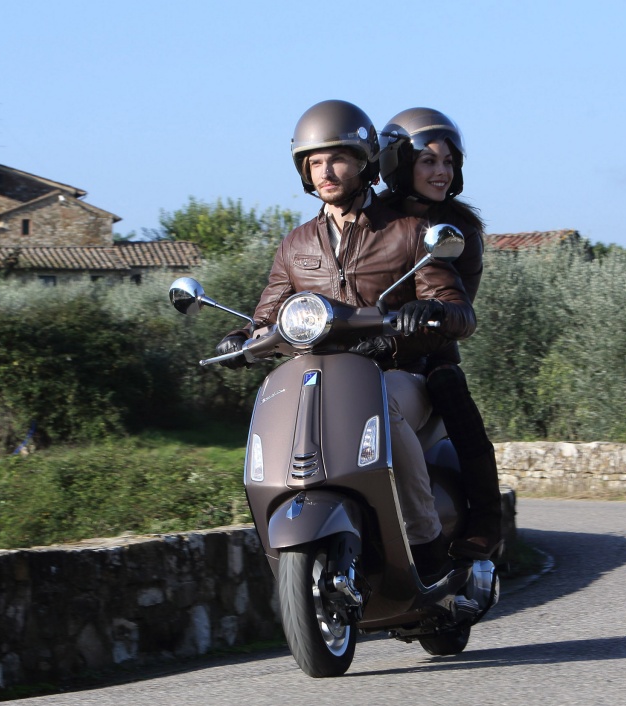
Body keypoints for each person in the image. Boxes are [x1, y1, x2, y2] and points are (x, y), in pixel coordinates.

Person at [214, 99, 476, 578]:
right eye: (314, 162)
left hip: (399, 375)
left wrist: (432, 310)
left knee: (382, 405)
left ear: (364, 162)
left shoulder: (409, 232)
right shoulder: (296, 244)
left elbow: (461, 312)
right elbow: (267, 315)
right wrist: (241, 337)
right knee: (276, 414)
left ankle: (425, 540)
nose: (326, 172)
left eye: (337, 158)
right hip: (320, 375)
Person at [378, 107, 505, 561]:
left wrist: (431, 310)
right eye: (429, 160)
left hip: (427, 353)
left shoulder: (460, 231)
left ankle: (488, 520)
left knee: (449, 385)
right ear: (399, 164)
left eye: (449, 162)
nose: (442, 172)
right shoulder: (373, 219)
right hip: (365, 353)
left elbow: (458, 307)